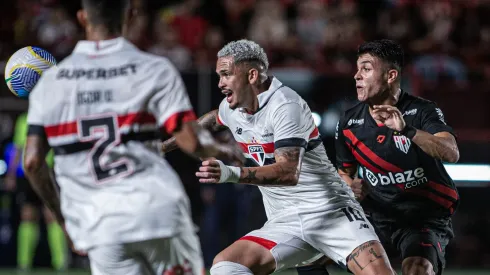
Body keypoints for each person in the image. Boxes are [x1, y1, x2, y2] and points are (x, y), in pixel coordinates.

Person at [22, 0, 243, 274]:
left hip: (100, 223)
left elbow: (32, 162)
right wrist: (228, 153)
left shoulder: (51, 83)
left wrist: (62, 219)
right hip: (158, 212)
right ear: (130, 14)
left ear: (82, 18)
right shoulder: (153, 68)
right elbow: (193, 141)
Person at [161, 39, 395, 275]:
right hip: (285, 223)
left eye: (226, 74)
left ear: (251, 75)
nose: (220, 83)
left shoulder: (286, 105)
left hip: (330, 214)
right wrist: (163, 147)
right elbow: (212, 119)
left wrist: (230, 173)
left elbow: (288, 172)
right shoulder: (232, 109)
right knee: (225, 267)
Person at [335, 39, 460, 275]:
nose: (356, 76)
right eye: (357, 68)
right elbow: (344, 172)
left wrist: (407, 131)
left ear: (391, 75)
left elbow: (451, 152)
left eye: (366, 68)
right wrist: (351, 187)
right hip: (374, 216)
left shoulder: (422, 110)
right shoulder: (348, 122)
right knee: (310, 249)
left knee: (417, 269)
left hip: (421, 217)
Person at [4, 112, 67, 271]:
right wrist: (11, 174)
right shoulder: (23, 119)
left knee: (52, 216)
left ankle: (61, 263)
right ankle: (24, 263)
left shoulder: (52, 115)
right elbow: (18, 148)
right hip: (27, 175)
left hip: (50, 171)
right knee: (28, 216)